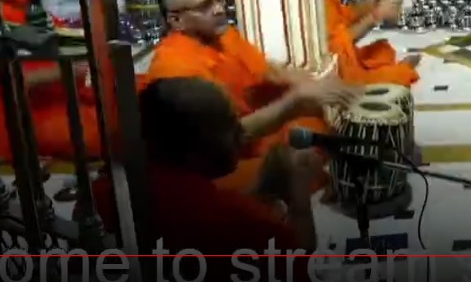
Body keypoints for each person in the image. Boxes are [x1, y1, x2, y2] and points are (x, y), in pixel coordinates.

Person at [87, 77, 318, 282]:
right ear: (193, 150)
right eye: (229, 126)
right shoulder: (244, 223)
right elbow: (299, 263)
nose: (241, 134)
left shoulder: (105, 193)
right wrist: (300, 197)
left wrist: (261, 190)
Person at [144, 0, 359, 194]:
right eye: (205, 6)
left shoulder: (224, 36)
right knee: (298, 163)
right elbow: (223, 139)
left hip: (260, 135)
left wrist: (318, 87)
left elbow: (269, 72)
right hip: (224, 164)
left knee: (332, 127)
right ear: (177, 21)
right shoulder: (174, 69)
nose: (219, 9)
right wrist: (294, 102)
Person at [0, 0, 103, 161]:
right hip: (35, 113)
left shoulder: (24, 10)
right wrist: (63, 71)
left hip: (73, 94)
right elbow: (4, 82)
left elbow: (62, 37)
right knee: (109, 129)